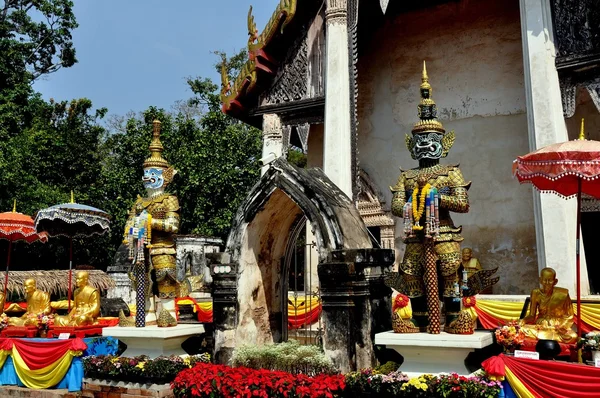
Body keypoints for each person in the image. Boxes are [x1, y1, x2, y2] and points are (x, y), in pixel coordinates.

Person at [386, 62, 471, 334]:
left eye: (431, 139)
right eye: (420, 141)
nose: (425, 145)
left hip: (444, 231)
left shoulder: (451, 173)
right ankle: (419, 320)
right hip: (415, 234)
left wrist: (436, 197)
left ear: (443, 144)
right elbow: (396, 205)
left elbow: (463, 204)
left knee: (450, 270)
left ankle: (455, 317)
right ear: (412, 146)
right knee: (411, 273)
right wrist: (415, 204)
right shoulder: (407, 177)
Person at [123, 120, 180, 327]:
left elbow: (173, 226)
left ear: (164, 177)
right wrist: (131, 229)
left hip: (162, 249)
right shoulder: (139, 202)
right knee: (141, 284)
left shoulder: (168, 199)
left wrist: (150, 221)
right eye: (146, 174)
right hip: (140, 250)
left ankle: (168, 314)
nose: (148, 178)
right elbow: (129, 225)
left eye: (152, 174)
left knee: (165, 282)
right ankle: (144, 316)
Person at [519, 267, 578, 344]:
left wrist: (562, 326)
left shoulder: (563, 294)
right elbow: (532, 315)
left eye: (550, 280)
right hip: (541, 326)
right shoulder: (535, 293)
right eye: (545, 280)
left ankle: (544, 338)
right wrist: (523, 320)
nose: (547, 283)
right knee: (520, 329)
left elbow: (569, 316)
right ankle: (548, 338)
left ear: (555, 281)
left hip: (557, 327)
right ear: (540, 280)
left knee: (573, 336)